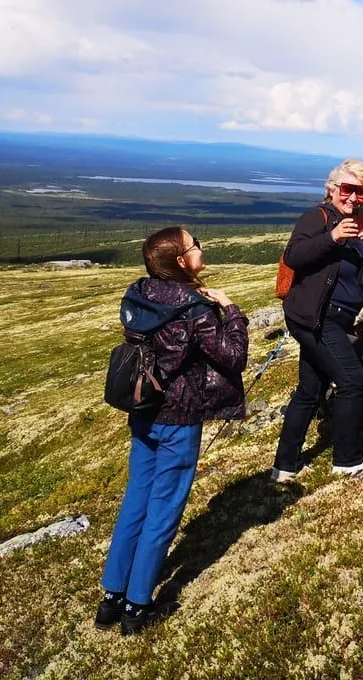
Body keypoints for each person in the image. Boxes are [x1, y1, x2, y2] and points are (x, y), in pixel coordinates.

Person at [97, 227, 248, 635]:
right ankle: (138, 606)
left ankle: (111, 597)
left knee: (136, 501)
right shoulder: (194, 308)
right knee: (164, 510)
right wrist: (231, 310)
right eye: (194, 244)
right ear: (181, 261)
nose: (201, 247)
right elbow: (232, 357)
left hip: (143, 409)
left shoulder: (140, 293)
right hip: (179, 419)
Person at [271, 160, 363, 482]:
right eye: (347, 189)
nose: (353, 197)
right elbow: (295, 255)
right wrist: (332, 238)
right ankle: (347, 460)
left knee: (309, 390)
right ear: (332, 189)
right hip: (316, 318)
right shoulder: (318, 217)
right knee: (352, 380)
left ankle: (284, 465)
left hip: (335, 319)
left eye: (361, 191)